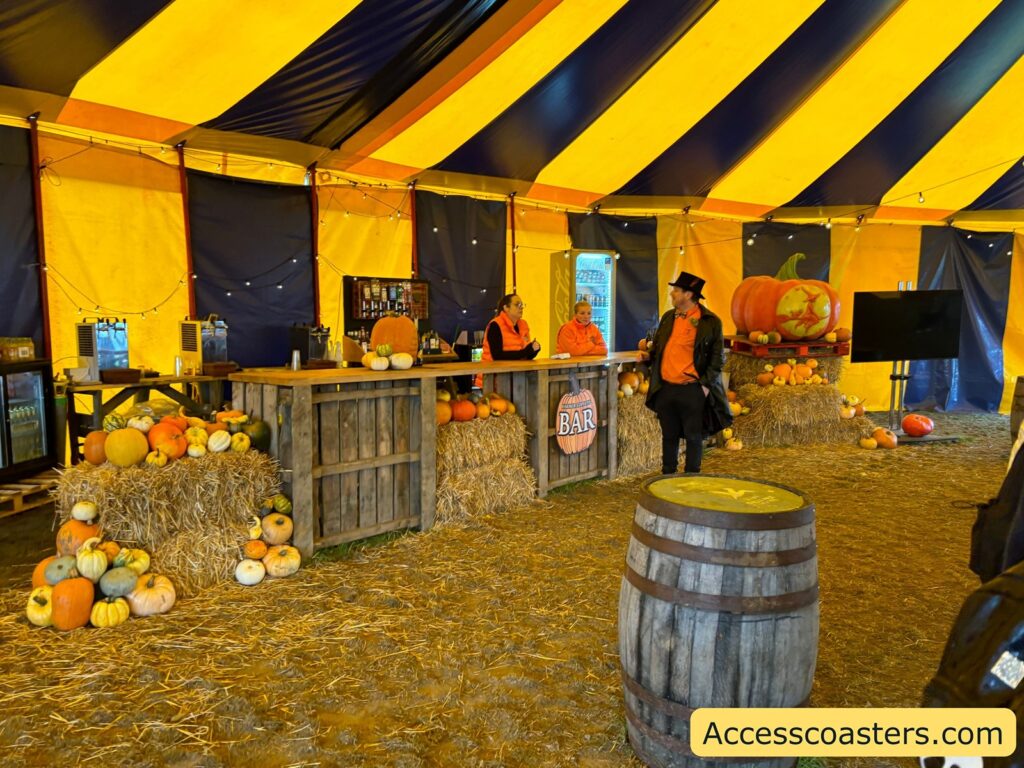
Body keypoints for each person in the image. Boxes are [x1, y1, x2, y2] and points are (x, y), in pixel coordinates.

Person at [642, 271, 732, 474]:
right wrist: (647, 355)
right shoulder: (668, 317)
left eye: (676, 290)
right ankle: (667, 476)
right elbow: (658, 348)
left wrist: (704, 386)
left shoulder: (710, 322)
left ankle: (692, 477)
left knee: (694, 437)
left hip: (692, 389)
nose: (672, 294)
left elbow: (717, 359)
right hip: (666, 388)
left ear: (688, 294)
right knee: (669, 436)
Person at [475, 293, 540, 387]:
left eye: (522, 304)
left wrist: (533, 350)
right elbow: (497, 355)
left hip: (517, 378)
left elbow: (524, 354)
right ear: (506, 308)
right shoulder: (496, 325)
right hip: (493, 379)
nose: (521, 307)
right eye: (517, 304)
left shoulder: (523, 325)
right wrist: (525, 352)